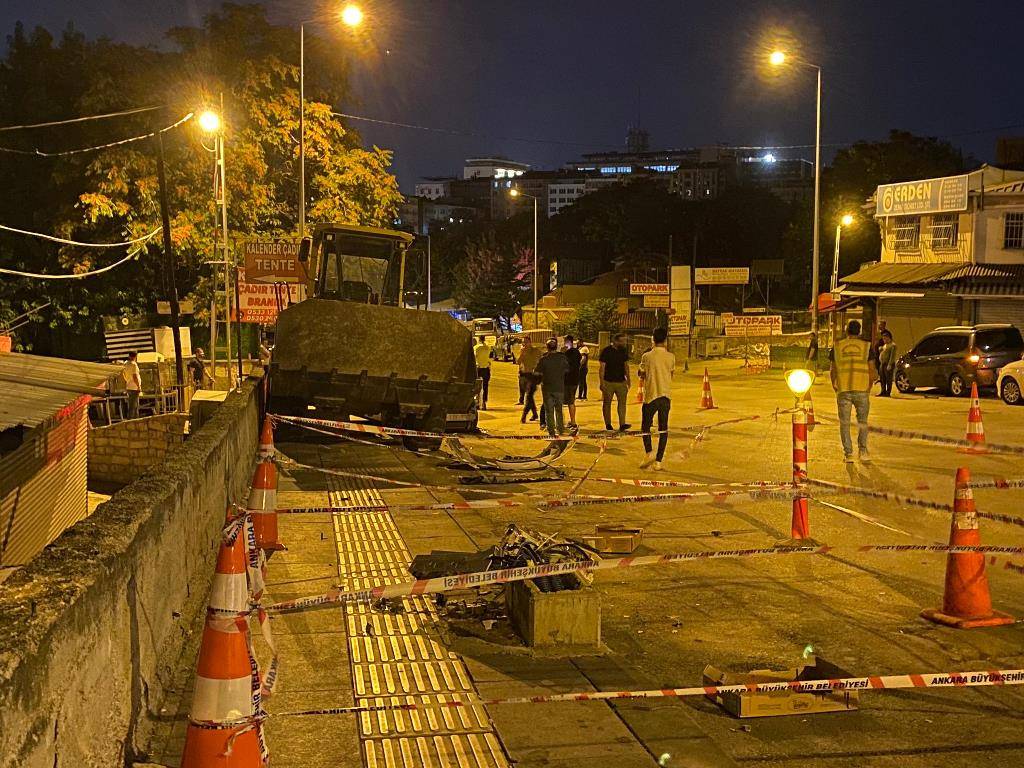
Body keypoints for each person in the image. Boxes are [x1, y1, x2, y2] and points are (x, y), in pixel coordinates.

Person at [830, 319, 877, 464]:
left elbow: (833, 369)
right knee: (862, 422)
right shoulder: (867, 346)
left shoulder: (837, 346)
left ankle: (848, 454)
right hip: (862, 389)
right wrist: (869, 384)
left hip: (843, 389)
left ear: (846, 331)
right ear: (860, 331)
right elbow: (871, 369)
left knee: (844, 423)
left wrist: (835, 385)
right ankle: (863, 451)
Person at [638, 327, 675, 471]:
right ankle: (658, 461)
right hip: (665, 395)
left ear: (653, 338)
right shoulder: (671, 357)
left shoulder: (647, 356)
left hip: (651, 395)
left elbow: (641, 374)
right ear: (665, 340)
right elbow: (671, 375)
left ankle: (649, 452)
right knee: (663, 428)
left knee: (645, 427)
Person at [534, 337, 569, 437]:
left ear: (547, 347)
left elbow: (536, 372)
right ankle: (560, 429)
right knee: (559, 410)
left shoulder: (544, 359)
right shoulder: (562, 358)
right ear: (556, 347)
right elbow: (567, 370)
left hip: (547, 388)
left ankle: (551, 432)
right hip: (559, 387)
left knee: (549, 411)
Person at [599, 333, 632, 432]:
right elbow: (602, 368)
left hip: (621, 381)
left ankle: (622, 424)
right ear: (615, 341)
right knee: (607, 403)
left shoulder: (623, 351)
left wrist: (628, 379)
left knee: (622, 404)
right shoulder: (606, 351)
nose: (624, 343)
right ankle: (608, 424)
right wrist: (602, 382)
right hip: (608, 382)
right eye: (622, 341)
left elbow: (626, 366)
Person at [518, 336, 542, 422]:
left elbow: (541, 360)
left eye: (526, 342)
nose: (524, 344)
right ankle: (535, 414)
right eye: (523, 342)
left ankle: (524, 415)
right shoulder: (522, 351)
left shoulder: (535, 350)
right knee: (530, 396)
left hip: (533, 376)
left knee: (528, 396)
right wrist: (522, 354)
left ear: (530, 342)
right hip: (524, 376)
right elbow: (518, 362)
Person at [563, 335, 582, 431]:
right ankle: (572, 421)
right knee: (571, 401)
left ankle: (573, 422)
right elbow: (579, 363)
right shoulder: (577, 352)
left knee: (569, 401)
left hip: (568, 380)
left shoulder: (567, 353)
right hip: (575, 379)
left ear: (568, 341)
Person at [473, 335, 493, 409]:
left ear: (479, 339)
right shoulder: (487, 348)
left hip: (478, 369)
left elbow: (474, 358)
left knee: (476, 386)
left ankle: (477, 403)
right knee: (485, 386)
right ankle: (484, 402)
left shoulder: (476, 348)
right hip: (486, 368)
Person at [877, 329, 897, 397]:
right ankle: (883, 391)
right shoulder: (884, 345)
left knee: (888, 378)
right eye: (883, 339)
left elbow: (892, 356)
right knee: (882, 378)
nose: (884, 340)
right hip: (882, 363)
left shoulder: (892, 345)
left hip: (888, 364)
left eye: (885, 339)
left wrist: (890, 364)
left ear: (889, 338)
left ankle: (888, 392)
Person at [122, 350, 142, 419]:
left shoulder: (125, 363)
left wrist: (127, 380)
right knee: (134, 405)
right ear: (135, 356)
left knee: (132, 404)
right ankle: (132, 419)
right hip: (134, 387)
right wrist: (138, 386)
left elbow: (123, 374)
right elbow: (135, 376)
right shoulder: (134, 364)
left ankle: (135, 419)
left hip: (129, 386)